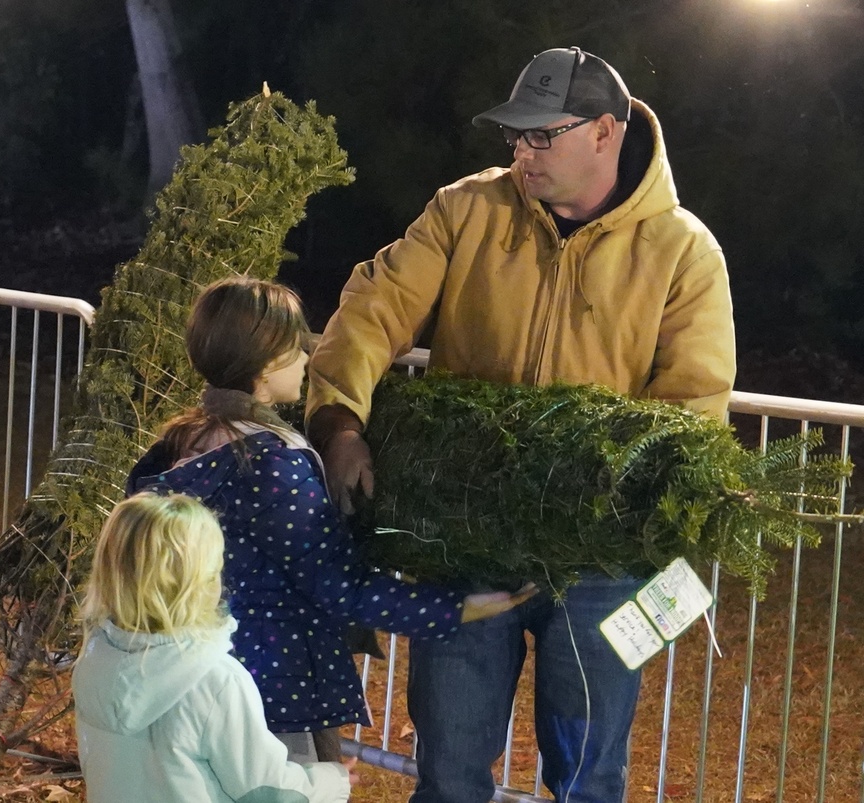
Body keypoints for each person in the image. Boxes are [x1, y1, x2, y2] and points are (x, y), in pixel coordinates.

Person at [305, 46, 736, 803]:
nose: (521, 150)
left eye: (543, 134)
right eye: (516, 134)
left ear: (604, 132)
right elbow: (374, 309)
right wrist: (339, 420)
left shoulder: (683, 253)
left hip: (603, 568)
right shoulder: (466, 208)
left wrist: (615, 507)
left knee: (587, 778)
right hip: (468, 543)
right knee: (449, 769)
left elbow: (694, 409)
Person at [124, 277, 529, 765]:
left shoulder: (180, 446)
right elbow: (339, 586)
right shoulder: (272, 464)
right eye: (296, 348)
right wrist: (455, 608)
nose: (307, 359)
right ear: (267, 363)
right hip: (275, 690)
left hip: (200, 676)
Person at [71, 492, 357, 802]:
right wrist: (334, 781)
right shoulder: (217, 681)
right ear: (201, 581)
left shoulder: (93, 661)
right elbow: (264, 789)